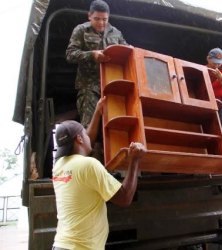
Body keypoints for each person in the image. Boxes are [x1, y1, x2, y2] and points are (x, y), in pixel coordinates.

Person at [51, 119, 146, 250]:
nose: (89, 138)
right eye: (85, 133)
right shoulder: (88, 165)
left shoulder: (58, 167)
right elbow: (125, 198)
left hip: (61, 244)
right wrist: (135, 159)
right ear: (79, 138)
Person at [66, 0, 129, 128]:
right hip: (89, 87)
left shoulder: (116, 32)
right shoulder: (81, 30)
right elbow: (70, 54)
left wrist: (130, 49)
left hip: (112, 88)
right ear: (89, 16)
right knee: (89, 127)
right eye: (97, 19)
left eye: (104, 19)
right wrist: (92, 55)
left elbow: (127, 52)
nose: (101, 23)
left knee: (115, 128)